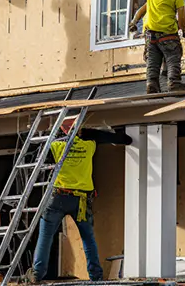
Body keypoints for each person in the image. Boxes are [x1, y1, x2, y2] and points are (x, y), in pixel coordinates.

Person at [31, 119, 133, 281]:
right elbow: (126, 140)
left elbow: (37, 159)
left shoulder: (55, 145)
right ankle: (96, 277)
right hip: (81, 200)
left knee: (45, 237)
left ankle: (37, 275)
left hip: (57, 197)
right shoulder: (89, 143)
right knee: (88, 239)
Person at [127, 0, 185, 94]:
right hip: (168, 34)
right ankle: (174, 82)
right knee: (173, 57)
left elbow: (143, 9)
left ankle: (152, 84)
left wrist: (134, 22)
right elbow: (181, 17)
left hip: (150, 35)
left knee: (153, 61)